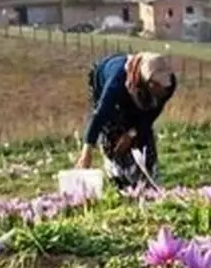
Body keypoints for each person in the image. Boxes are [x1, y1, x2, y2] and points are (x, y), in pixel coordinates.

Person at [75, 52, 176, 188]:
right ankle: (120, 181)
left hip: (140, 94)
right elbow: (100, 115)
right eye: (158, 85)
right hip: (107, 81)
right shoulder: (116, 83)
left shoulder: (168, 86)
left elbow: (151, 114)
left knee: (143, 137)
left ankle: (149, 181)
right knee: (114, 138)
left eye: (165, 85)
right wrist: (86, 153)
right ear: (148, 82)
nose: (164, 89)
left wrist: (132, 133)